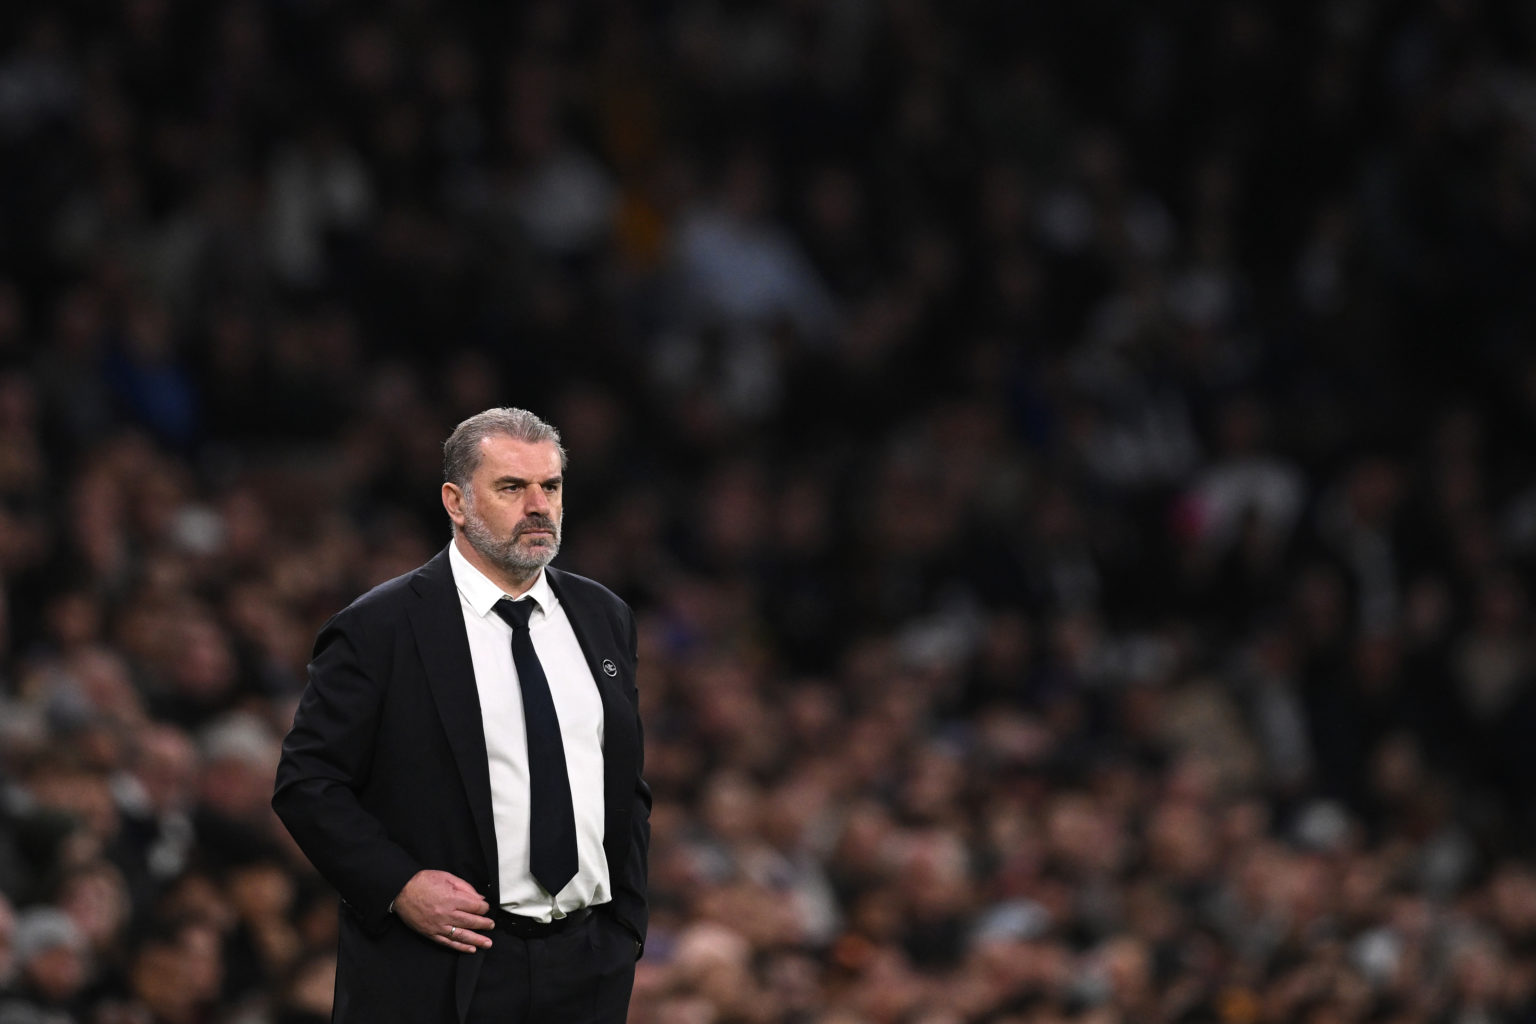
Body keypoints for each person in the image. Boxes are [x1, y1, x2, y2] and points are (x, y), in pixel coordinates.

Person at [273, 407, 649, 1024]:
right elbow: (308, 785)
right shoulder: (380, 627)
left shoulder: (604, 616)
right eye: (511, 487)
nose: (538, 506)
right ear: (455, 500)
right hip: (442, 968)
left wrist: (625, 922)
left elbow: (622, 783)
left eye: (549, 486)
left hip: (586, 966)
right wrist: (398, 886)